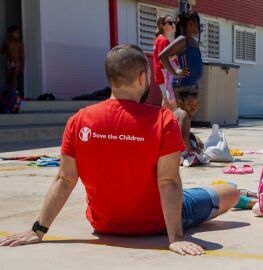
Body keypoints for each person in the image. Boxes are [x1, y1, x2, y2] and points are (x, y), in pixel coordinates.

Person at [0, 44, 239, 256]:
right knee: (230, 191)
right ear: (142, 78)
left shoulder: (79, 119)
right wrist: (175, 238)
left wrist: (38, 230)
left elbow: (64, 179)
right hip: (155, 223)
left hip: (103, 225)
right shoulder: (163, 120)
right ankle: (244, 198)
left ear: (110, 79)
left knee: (198, 192)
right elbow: (168, 182)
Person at [159, 10, 203, 109]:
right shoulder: (182, 40)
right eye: (198, 23)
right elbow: (162, 56)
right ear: (190, 24)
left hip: (193, 84)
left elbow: (175, 56)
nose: (199, 26)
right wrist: (175, 72)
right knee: (183, 114)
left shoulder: (194, 42)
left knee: (188, 115)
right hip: (182, 85)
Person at [174, 90, 207, 166]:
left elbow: (184, 131)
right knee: (194, 146)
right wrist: (191, 148)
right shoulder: (183, 114)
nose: (193, 106)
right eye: (189, 103)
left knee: (193, 141)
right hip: (175, 148)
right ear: (180, 104)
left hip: (174, 147)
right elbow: (182, 135)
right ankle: (186, 156)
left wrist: (195, 137)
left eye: (196, 104)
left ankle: (181, 157)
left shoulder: (184, 113)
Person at [153, 15, 178, 111]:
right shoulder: (164, 40)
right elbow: (164, 60)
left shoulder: (158, 40)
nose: (173, 24)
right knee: (171, 103)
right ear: (163, 25)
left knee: (165, 100)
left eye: (173, 22)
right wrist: (177, 54)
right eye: (170, 22)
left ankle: (163, 121)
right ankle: (172, 122)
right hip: (165, 76)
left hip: (160, 75)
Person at [0, 25, 24, 92]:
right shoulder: (6, 42)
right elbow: (2, 51)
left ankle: (14, 94)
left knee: (14, 79)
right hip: (9, 63)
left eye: (19, 33)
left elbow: (22, 56)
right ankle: (9, 94)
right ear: (10, 33)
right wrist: (5, 49)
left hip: (17, 63)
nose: (18, 34)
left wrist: (22, 65)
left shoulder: (20, 44)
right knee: (8, 79)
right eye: (16, 33)